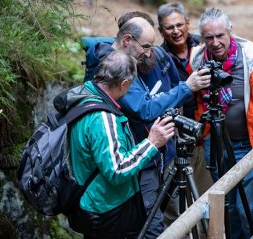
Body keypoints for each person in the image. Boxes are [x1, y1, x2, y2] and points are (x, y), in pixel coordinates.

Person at [90, 14, 211, 238]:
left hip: (153, 155)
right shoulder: (115, 68)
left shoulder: (137, 60)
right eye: (145, 46)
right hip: (137, 160)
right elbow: (143, 108)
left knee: (158, 217)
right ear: (127, 40)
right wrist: (187, 87)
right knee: (152, 226)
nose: (148, 52)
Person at [187, 8, 253, 239]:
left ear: (230, 32)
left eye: (220, 36)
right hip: (213, 141)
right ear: (202, 38)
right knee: (226, 205)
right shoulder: (197, 60)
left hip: (249, 142)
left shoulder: (251, 57)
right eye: (209, 37)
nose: (216, 43)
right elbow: (195, 100)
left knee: (246, 206)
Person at [66, 51, 176, 239]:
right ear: (124, 84)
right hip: (105, 209)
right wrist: (152, 143)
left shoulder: (84, 95)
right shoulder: (103, 118)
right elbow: (117, 170)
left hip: (90, 200)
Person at [157, 2, 213, 229]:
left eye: (180, 24)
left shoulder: (205, 47)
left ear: (188, 24)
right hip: (174, 141)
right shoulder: (158, 59)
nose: (176, 31)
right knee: (175, 208)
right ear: (161, 31)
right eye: (169, 27)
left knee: (207, 198)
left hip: (205, 135)